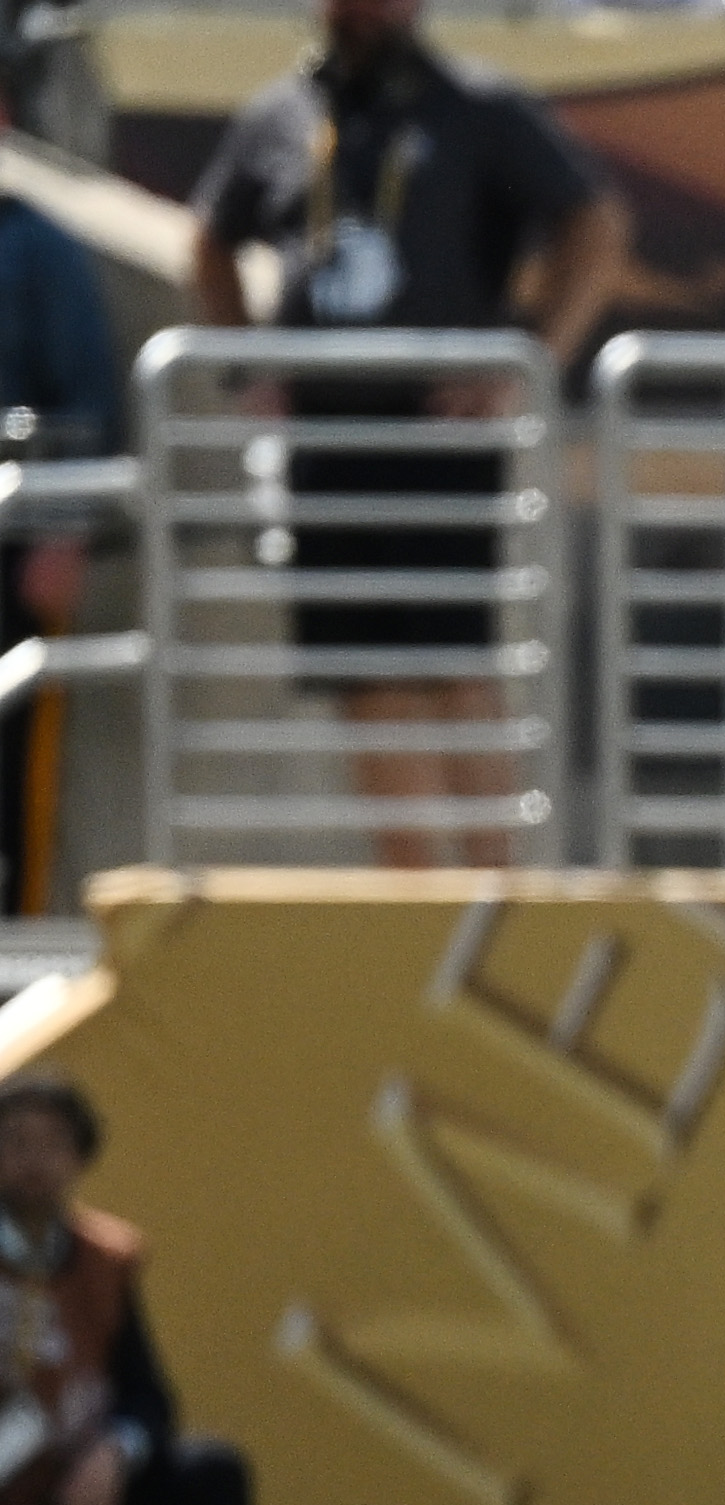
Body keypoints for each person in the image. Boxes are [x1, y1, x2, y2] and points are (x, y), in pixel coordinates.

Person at [187, 0, 626, 868]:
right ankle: (417, 901)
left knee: (456, 666)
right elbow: (209, 241)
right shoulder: (281, 115)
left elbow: (595, 225)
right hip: (329, 441)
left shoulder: (477, 107)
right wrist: (251, 365)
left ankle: (497, 893)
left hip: (439, 438)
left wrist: (527, 362)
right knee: (367, 673)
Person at [0, 1072, 334, 1505]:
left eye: (52, 1144)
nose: (33, 1160)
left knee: (214, 1471)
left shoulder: (104, 1261)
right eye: (14, 1142)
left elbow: (149, 1399)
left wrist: (114, 1453)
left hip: (70, 1493)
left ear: (81, 1156)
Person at [0, 84, 117, 914]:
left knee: (10, 790)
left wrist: (64, 539)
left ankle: (12, 986)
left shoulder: (36, 249)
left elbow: (91, 406)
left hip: (13, 556)